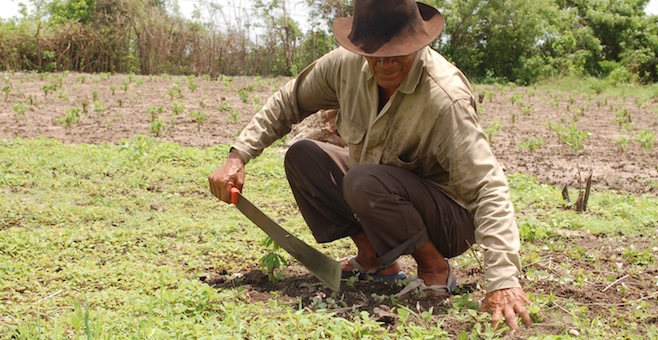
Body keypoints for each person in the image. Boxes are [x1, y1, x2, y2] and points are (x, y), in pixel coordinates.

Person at [209, 0, 532, 331]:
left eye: (398, 52)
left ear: (419, 43)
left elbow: (486, 187)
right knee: (305, 156)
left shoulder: (445, 97)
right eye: (376, 53)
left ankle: (435, 269)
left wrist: (503, 280)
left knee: (364, 180)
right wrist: (238, 155)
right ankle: (376, 261)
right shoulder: (344, 67)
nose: (387, 63)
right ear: (360, 46)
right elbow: (289, 101)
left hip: (448, 217)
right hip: (379, 186)